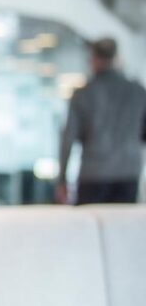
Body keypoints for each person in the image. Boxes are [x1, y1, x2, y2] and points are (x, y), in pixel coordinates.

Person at [56, 36, 146, 204]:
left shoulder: (83, 94)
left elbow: (68, 139)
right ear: (117, 59)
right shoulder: (138, 92)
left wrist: (62, 180)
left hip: (93, 175)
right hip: (128, 173)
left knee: (88, 228)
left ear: (93, 60)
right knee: (123, 228)